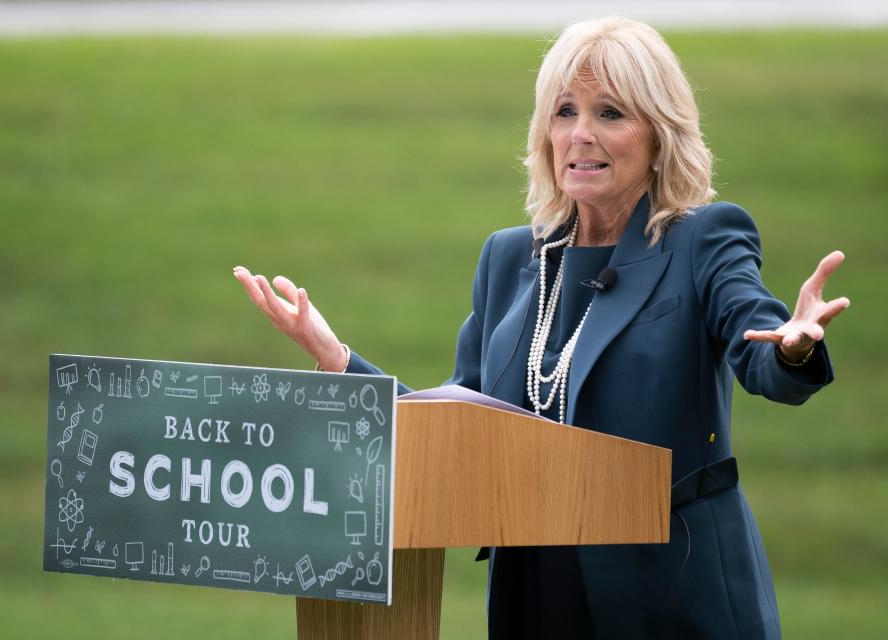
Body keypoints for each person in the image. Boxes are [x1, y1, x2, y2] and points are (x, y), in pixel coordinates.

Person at [233, 16, 849, 639]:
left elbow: (760, 341)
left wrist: (793, 348)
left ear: (659, 136)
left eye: (610, 113)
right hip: (537, 599)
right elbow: (451, 424)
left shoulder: (701, 241)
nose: (580, 134)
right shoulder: (509, 259)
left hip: (673, 597)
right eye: (564, 112)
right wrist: (338, 359)